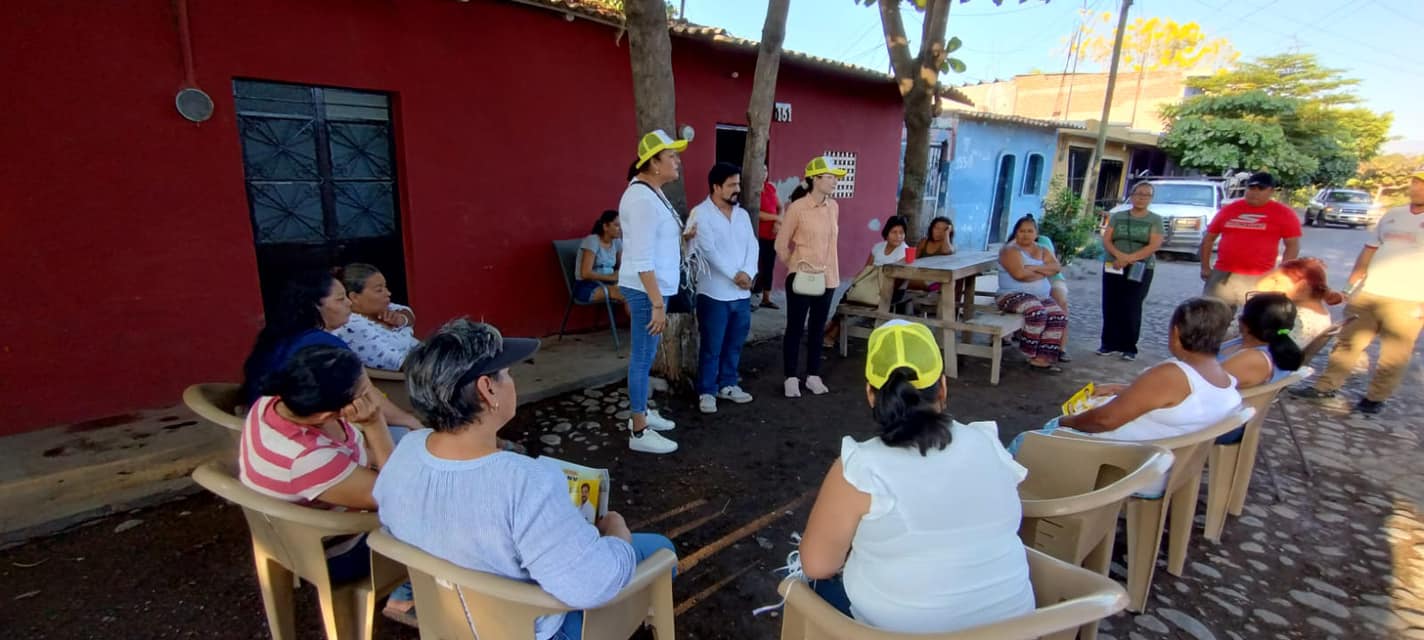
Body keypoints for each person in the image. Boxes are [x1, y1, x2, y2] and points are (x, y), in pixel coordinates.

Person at [373, 319, 677, 640]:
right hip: (528, 630)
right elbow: (593, 585)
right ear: (487, 390)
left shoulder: (406, 450)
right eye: (508, 374)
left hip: (448, 617)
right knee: (660, 550)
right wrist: (616, 534)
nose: (512, 381)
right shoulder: (525, 483)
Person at [798, 320, 1033, 633]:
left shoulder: (860, 468)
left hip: (899, 631)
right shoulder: (987, 442)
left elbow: (818, 565)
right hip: (1017, 628)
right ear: (943, 387)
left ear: (871, 394)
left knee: (810, 585)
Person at [237, 344, 414, 623]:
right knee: (442, 510)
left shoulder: (269, 404)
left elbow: (348, 455)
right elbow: (398, 497)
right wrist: (375, 424)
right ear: (326, 415)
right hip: (336, 550)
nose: (374, 399)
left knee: (409, 444)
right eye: (365, 393)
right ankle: (404, 595)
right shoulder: (309, 460)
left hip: (295, 525)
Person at [1293, 169, 1424, 414]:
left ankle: (1375, 398)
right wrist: (1349, 288)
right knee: (1346, 343)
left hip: (1409, 299)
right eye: (1415, 182)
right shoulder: (1393, 215)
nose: (1416, 188)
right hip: (1370, 292)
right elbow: (1369, 250)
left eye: (1421, 184)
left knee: (1394, 353)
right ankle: (1325, 387)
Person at [239, 271, 424, 434]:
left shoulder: (281, 337)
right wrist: (412, 422)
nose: (350, 304)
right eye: (340, 299)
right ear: (315, 306)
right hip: (302, 433)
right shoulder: (326, 347)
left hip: (267, 426)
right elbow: (367, 394)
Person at [1051, 298, 1242, 446]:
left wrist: (1066, 421)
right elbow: (1176, 401)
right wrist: (1122, 389)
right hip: (1167, 463)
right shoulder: (1224, 376)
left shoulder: (1172, 374)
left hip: (1126, 466)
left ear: (1176, 333)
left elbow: (1104, 420)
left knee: (1041, 433)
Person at [618, 129, 690, 454]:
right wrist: (657, 303)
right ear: (653, 162)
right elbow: (641, 259)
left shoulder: (651, 192)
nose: (677, 161)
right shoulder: (642, 198)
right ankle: (638, 429)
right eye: (671, 156)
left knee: (645, 358)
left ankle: (643, 412)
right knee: (642, 358)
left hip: (653, 289)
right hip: (647, 291)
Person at [691, 162, 758, 414]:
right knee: (712, 345)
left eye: (738, 184)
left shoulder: (741, 215)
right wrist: (735, 274)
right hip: (713, 293)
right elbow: (708, 250)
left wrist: (749, 273)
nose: (736, 189)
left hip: (741, 293)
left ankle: (728, 384)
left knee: (735, 342)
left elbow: (753, 246)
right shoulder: (701, 213)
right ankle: (707, 390)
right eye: (731, 185)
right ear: (716, 187)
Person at [777, 156, 845, 398]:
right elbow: (781, 244)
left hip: (828, 278)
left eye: (835, 177)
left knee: (818, 328)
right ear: (815, 179)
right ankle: (791, 377)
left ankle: (813, 375)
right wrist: (795, 266)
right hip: (802, 277)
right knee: (795, 327)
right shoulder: (797, 208)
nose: (834, 181)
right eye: (829, 177)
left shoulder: (834, 207)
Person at [1199, 172, 1302, 308]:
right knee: (1211, 313)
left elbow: (1292, 245)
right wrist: (1205, 267)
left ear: (1271, 191)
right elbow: (1208, 239)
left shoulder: (1284, 213)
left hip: (1260, 276)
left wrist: (1282, 273)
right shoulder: (1230, 209)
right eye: (1251, 188)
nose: (1255, 193)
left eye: (1260, 189)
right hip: (1224, 273)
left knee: (1255, 319)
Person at [1098, 182, 1165, 361]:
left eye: (1146, 195)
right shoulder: (1118, 216)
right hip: (1114, 264)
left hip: (1141, 266)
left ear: (1151, 199)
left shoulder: (1155, 220)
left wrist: (1129, 258)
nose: (1142, 197)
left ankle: (1129, 346)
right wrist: (1119, 256)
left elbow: (1154, 244)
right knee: (1111, 303)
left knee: (1132, 305)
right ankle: (1108, 343)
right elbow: (1107, 239)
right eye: (1139, 193)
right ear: (1132, 195)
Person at [996, 215, 1069, 372]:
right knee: (1037, 312)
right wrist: (1044, 271)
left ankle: (1042, 359)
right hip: (1011, 296)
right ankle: (1029, 351)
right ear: (1016, 232)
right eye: (1022, 231)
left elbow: (1056, 268)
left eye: (1030, 231)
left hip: (1041, 296)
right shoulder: (1010, 250)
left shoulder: (1043, 249)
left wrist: (1032, 268)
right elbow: (1019, 275)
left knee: (1058, 315)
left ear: (1036, 234)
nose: (1026, 234)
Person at [334, 263, 420, 371]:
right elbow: (396, 361)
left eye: (386, 287)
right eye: (379, 290)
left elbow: (407, 312)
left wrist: (402, 319)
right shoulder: (353, 326)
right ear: (354, 297)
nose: (388, 293)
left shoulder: (380, 310)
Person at [1254, 258, 1344, 346]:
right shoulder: (1314, 312)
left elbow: (1270, 352)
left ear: (1302, 287)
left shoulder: (1299, 321)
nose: (1270, 285)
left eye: (1276, 281)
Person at [1033, 232, 1072, 362]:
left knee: (1061, 302)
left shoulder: (1043, 241)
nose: (1026, 234)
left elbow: (1052, 267)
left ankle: (1060, 348)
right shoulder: (1013, 246)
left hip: (1051, 277)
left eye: (1030, 231)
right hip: (1030, 280)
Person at [575, 210, 625, 305]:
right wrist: (611, 277)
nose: (620, 229)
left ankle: (642, 320)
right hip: (587, 286)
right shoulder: (592, 241)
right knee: (624, 294)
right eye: (616, 225)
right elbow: (585, 273)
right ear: (605, 226)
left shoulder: (617, 242)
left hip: (609, 284)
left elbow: (622, 266)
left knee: (634, 292)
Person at [752, 163, 782, 310]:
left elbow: (780, 207)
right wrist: (776, 218)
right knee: (754, 266)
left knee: (769, 266)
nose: (764, 173)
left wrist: (777, 222)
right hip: (757, 235)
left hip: (771, 236)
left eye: (765, 170)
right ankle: (749, 296)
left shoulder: (770, 188)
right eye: (761, 170)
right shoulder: (753, 191)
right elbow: (758, 214)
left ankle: (766, 298)